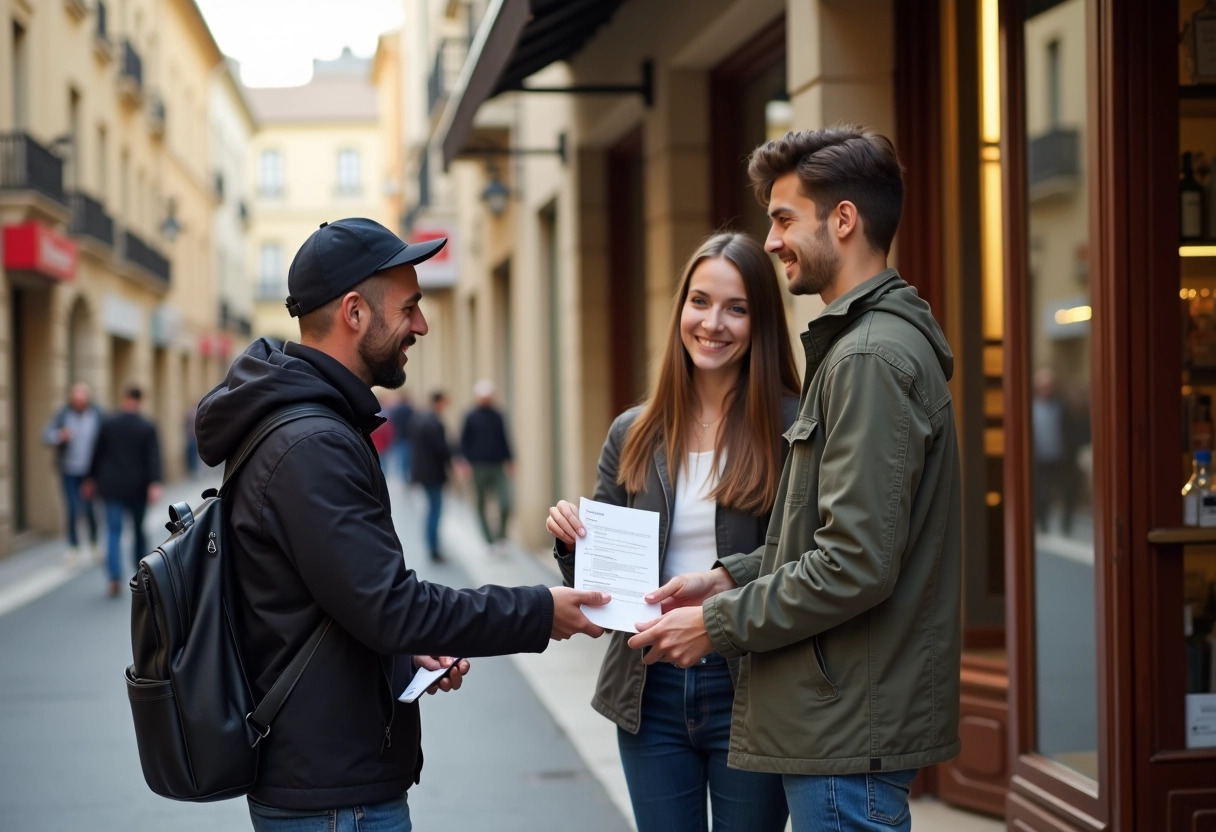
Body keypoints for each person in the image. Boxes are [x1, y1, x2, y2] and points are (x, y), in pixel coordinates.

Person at [193, 217, 608, 832]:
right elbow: (391, 607)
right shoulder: (311, 443)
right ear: (355, 312)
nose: (421, 324)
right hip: (333, 799)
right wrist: (541, 611)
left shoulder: (306, 424)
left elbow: (339, 602)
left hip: (329, 779)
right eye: (409, 307)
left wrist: (399, 656)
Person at [627, 127, 963, 832]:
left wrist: (717, 624)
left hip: (846, 728)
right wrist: (729, 577)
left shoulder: (869, 358)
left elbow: (853, 563)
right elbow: (836, 541)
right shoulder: (860, 348)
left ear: (842, 220)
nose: (773, 240)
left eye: (784, 219)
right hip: (837, 722)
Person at [545, 232, 798, 832]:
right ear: (680, 309)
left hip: (753, 686)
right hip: (648, 686)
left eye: (736, 308)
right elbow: (597, 578)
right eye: (700, 301)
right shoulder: (633, 431)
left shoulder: (793, 424)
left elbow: (808, 555)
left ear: (760, 319)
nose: (713, 323)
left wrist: (719, 582)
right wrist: (569, 539)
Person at [84, 386, 163, 597]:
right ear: (140, 400)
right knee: (138, 531)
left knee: (113, 531)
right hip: (137, 487)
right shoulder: (146, 426)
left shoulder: (108, 423)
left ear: (124, 399)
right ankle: (141, 574)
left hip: (111, 487)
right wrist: (154, 483)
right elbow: (153, 457)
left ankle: (114, 577)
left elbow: (96, 453)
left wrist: (90, 479)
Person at [41, 381, 102, 564]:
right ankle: (73, 547)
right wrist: (59, 436)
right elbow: (45, 435)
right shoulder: (63, 415)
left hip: (89, 471)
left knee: (90, 508)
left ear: (87, 400)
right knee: (72, 508)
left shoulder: (97, 415)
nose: (79, 403)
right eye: (76, 400)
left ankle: (93, 543)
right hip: (68, 470)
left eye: (82, 400)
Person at [460, 379, 514, 548]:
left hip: (497, 466)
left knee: (506, 503)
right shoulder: (470, 416)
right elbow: (463, 442)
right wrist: (464, 463)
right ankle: (488, 541)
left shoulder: (498, 415)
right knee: (481, 505)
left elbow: (504, 438)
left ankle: (502, 536)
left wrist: (511, 460)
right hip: (478, 467)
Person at [409, 390, 452, 562]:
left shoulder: (419, 419)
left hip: (422, 472)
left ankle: (432, 546)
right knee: (435, 510)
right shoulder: (434, 422)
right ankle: (433, 548)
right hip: (433, 473)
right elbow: (441, 450)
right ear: (440, 401)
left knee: (432, 509)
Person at [386, 391, 415, 481]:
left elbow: (392, 423)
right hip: (408, 436)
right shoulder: (410, 410)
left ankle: (403, 475)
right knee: (408, 456)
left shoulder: (396, 410)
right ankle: (408, 475)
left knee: (402, 456)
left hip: (399, 436)